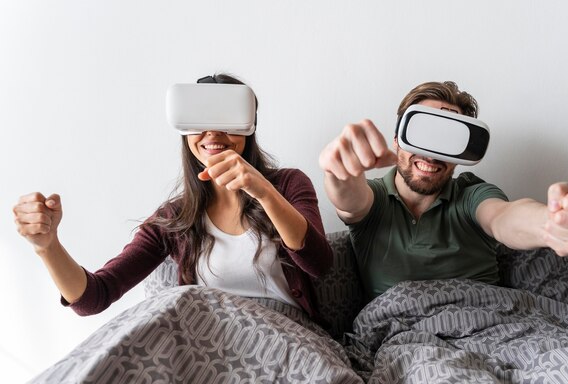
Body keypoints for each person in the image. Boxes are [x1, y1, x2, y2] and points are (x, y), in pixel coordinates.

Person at [13, 73, 333, 322]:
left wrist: (263, 190)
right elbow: (95, 296)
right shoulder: (173, 221)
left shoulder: (289, 184)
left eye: (226, 119)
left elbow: (319, 264)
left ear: (249, 126)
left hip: (289, 340)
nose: (212, 133)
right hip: (213, 349)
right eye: (200, 121)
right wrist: (47, 246)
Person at [318, 81, 568, 299]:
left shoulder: (471, 194)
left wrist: (548, 224)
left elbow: (503, 217)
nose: (432, 155)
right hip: (405, 338)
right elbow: (349, 199)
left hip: (492, 326)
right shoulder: (375, 200)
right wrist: (337, 169)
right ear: (397, 138)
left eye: (448, 141)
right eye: (424, 134)